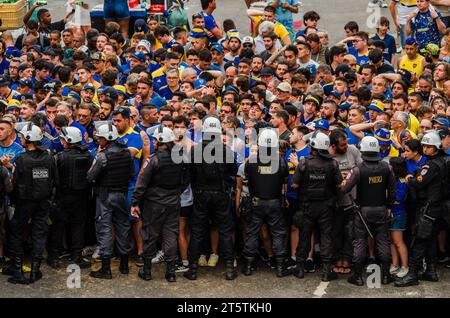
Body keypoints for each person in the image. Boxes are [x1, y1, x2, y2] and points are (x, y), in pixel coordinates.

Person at [131, 126, 189, 282]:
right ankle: (170, 273)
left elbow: (141, 183)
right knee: (171, 235)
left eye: (155, 139)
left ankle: (147, 271)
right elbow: (186, 180)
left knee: (150, 235)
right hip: (174, 202)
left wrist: (135, 202)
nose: (153, 142)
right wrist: (176, 192)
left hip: (154, 204)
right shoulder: (181, 157)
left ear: (159, 141)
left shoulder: (152, 159)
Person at [184, 116, 238, 281]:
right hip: (220, 193)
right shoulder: (226, 150)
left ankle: (192, 269)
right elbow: (232, 171)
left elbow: (190, 173)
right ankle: (229, 268)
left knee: (198, 230)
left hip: (200, 193)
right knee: (224, 230)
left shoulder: (195, 150)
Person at [342, 136, 397, 286]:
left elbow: (345, 189)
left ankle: (358, 276)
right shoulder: (387, 167)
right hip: (381, 209)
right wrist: (389, 206)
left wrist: (344, 180)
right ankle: (385, 276)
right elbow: (392, 191)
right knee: (383, 242)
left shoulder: (358, 170)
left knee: (360, 242)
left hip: (363, 211)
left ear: (363, 150)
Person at [6, 123, 57, 284]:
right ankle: (35, 271)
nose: (20, 139)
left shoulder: (21, 159)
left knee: (16, 234)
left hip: (24, 203)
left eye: (22, 137)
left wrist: (13, 202)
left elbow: (13, 184)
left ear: (27, 140)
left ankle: (18, 270)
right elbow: (54, 180)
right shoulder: (49, 157)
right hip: (43, 202)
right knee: (39, 234)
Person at [396, 131, 448, 287]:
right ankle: (431, 271)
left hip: (427, 208)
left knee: (418, 240)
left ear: (436, 147)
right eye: (424, 146)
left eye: (428, 146)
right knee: (430, 239)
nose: (425, 149)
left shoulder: (430, 165)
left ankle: (412, 275)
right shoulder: (444, 161)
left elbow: (419, 183)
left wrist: (410, 177)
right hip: (437, 207)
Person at [291, 131, 343, 282]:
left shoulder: (304, 162)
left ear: (313, 146)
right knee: (326, 236)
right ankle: (326, 271)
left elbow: (294, 184)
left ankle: (300, 268)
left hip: (307, 206)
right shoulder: (333, 163)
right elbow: (339, 184)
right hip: (326, 206)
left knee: (304, 236)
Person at [87, 122, 134, 279]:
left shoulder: (102, 156)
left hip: (105, 196)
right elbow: (132, 173)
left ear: (107, 139)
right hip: (122, 195)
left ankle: (106, 269)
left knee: (104, 229)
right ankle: (124, 265)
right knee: (123, 227)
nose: (98, 141)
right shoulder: (127, 153)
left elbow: (90, 176)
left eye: (100, 138)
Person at [242, 128, 289, 277]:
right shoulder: (281, 162)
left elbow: (248, 178)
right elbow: (284, 180)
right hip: (274, 202)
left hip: (256, 202)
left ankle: (249, 266)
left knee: (252, 233)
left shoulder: (251, 161)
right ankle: (280, 267)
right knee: (277, 233)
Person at [47, 127, 93, 270]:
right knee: (78, 227)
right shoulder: (89, 155)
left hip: (62, 197)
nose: (61, 142)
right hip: (82, 197)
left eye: (62, 139)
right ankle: (76, 257)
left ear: (68, 140)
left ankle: (54, 257)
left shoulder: (59, 157)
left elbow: (52, 178)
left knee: (57, 227)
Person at [388, 157, 410, 279]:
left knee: (398, 242)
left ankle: (405, 266)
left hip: (398, 213)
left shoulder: (402, 181)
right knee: (392, 241)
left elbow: (397, 199)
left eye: (391, 165)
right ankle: (395, 264)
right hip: (391, 214)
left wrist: (388, 201)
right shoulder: (393, 179)